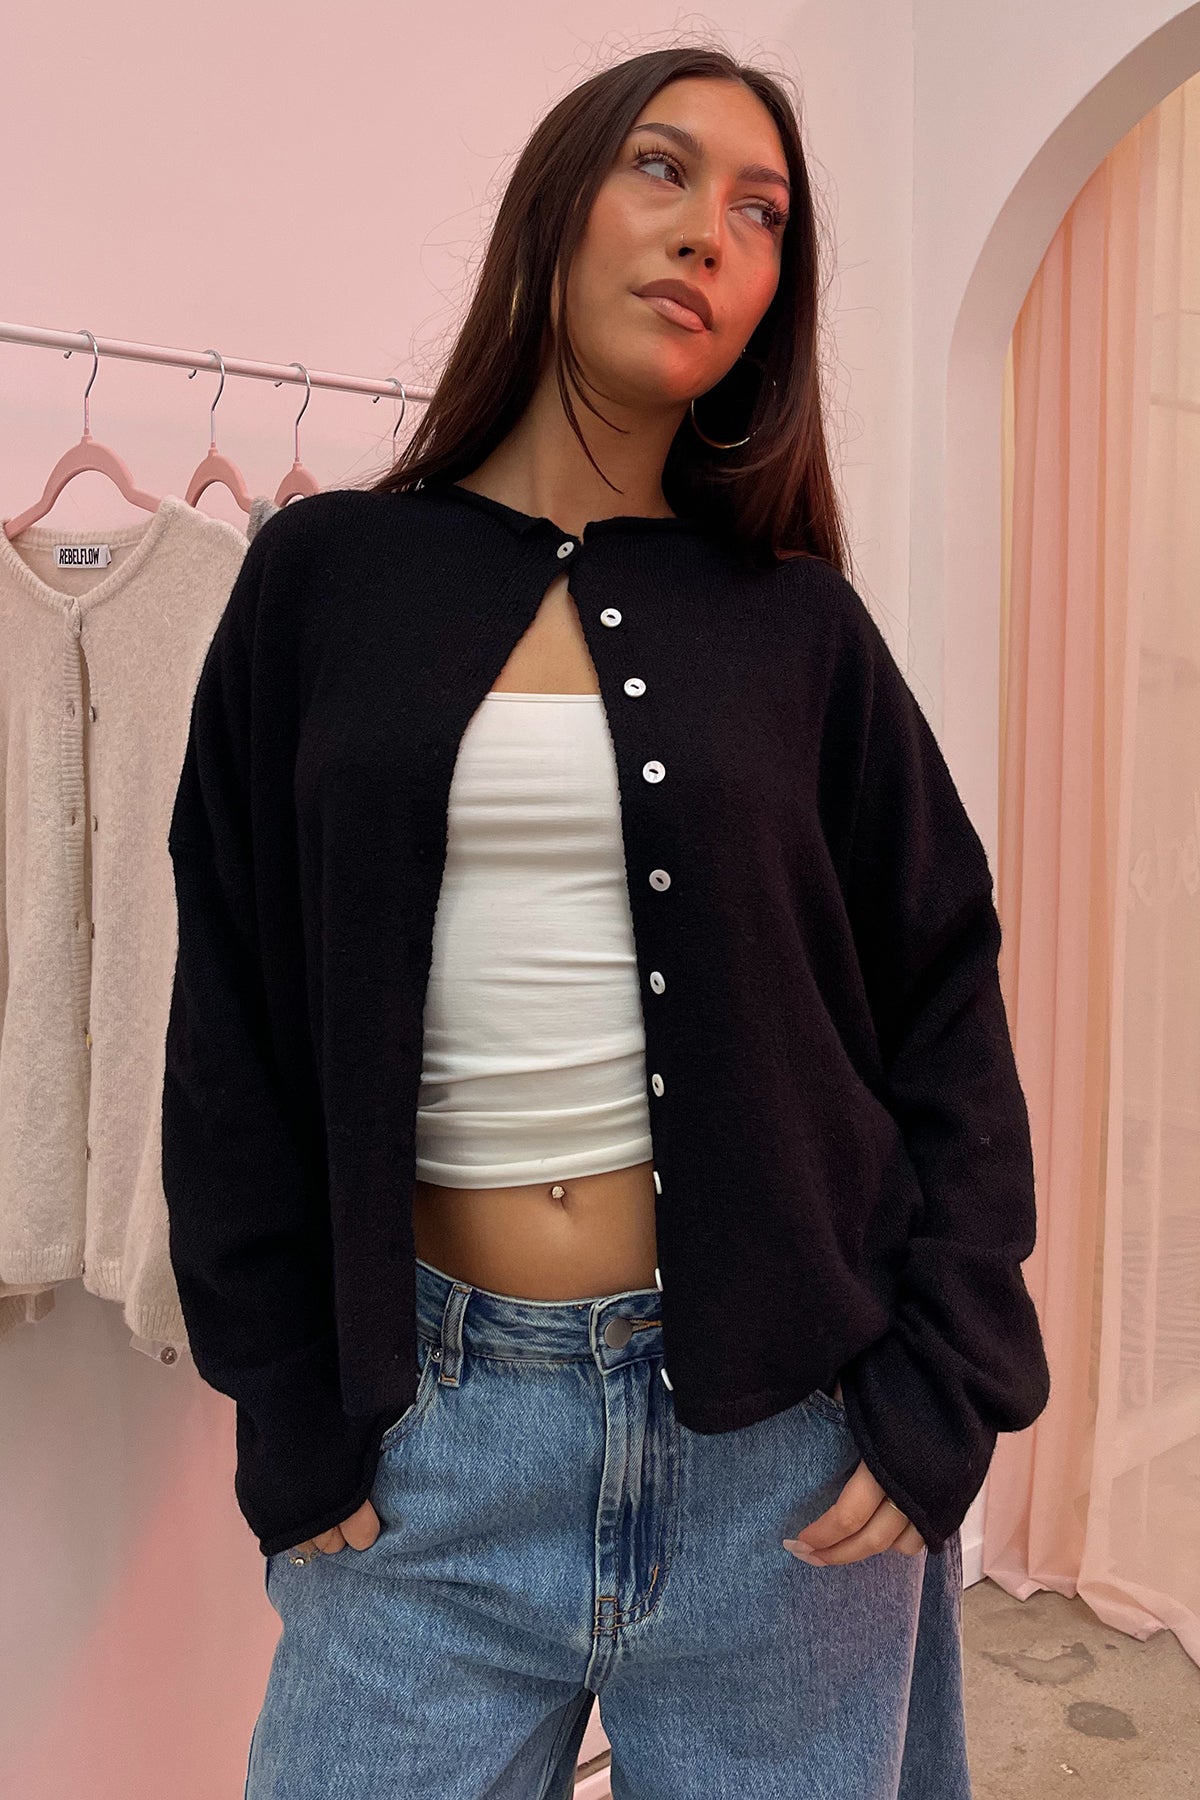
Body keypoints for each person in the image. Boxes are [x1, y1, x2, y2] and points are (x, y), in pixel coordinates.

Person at [164, 41, 1049, 1800]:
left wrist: (948, 1377)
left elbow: (943, 994)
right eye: (664, 167)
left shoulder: (798, 629)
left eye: (762, 213)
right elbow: (235, 1000)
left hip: (784, 1470)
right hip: (429, 1457)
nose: (711, 232)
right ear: (557, 206)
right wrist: (283, 1401)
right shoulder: (323, 578)